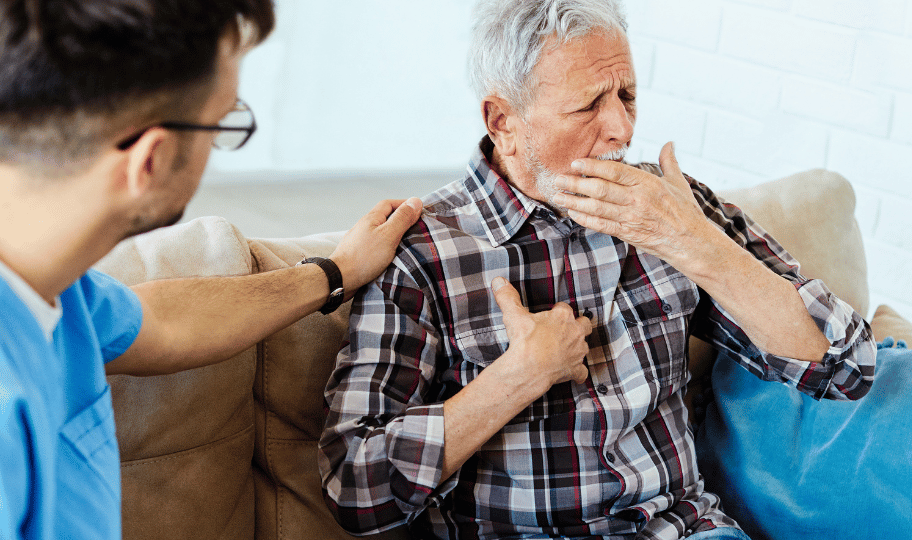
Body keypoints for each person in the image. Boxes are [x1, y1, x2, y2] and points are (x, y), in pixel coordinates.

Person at [318, 1, 877, 539]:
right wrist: (517, 379)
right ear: (502, 120)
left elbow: (846, 367)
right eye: (589, 105)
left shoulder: (670, 210)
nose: (622, 129)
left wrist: (694, 243)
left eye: (627, 95)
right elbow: (356, 489)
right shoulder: (422, 252)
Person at [0, 1, 424, 539]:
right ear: (149, 160)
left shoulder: (59, 293)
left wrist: (333, 271)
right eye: (222, 124)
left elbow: (161, 321)